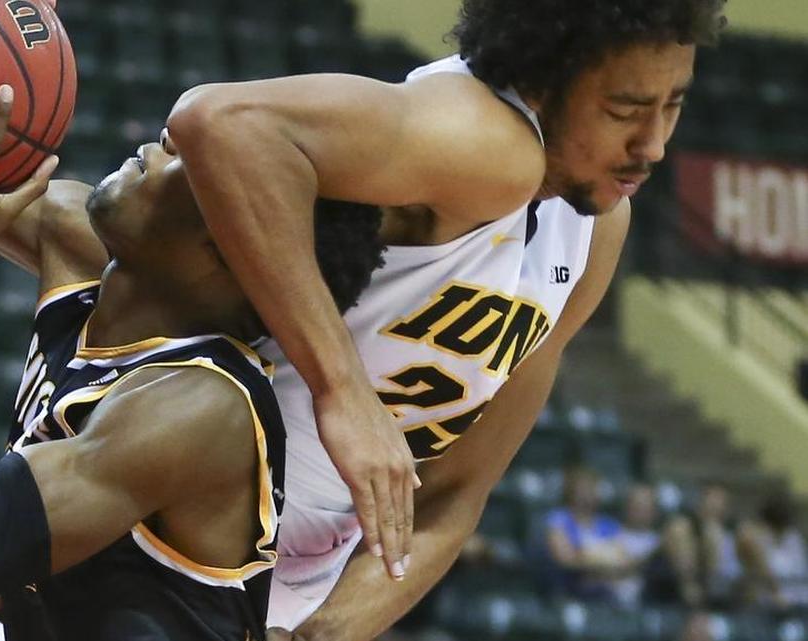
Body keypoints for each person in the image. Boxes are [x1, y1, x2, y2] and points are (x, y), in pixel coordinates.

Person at [158, 0, 726, 636]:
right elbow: (220, 122)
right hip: (168, 530)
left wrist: (322, 632)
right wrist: (341, 388)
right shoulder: (480, 134)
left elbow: (454, 495)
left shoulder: (595, 229)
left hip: (285, 584)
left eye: (672, 105)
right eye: (624, 110)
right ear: (542, 81)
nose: (653, 145)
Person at [0, 67, 385, 641]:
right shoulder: (73, 241)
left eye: (194, 160)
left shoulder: (200, 409)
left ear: (238, 246)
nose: (168, 137)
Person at [542, 466, 627, 601]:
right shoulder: (559, 519)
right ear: (571, 491)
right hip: (573, 584)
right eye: (582, 489)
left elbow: (622, 562)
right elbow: (565, 559)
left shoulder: (610, 524)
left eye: (591, 489)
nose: (587, 494)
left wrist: (584, 554)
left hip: (609, 584)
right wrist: (602, 558)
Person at [661, 482, 744, 609]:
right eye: (711, 502)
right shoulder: (682, 527)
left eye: (722, 503)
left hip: (727, 590)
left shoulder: (734, 534)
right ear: (700, 504)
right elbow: (686, 568)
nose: (716, 507)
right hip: (686, 588)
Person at [738, 491, 808, 611]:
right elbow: (763, 572)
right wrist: (776, 592)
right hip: (767, 603)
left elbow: (800, 572)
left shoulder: (793, 538)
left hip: (797, 601)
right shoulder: (753, 536)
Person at [613, 483, 663, 608]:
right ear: (627, 507)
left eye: (647, 506)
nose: (641, 511)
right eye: (637, 506)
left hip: (651, 600)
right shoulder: (612, 534)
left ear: (655, 511)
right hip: (610, 598)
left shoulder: (661, 542)